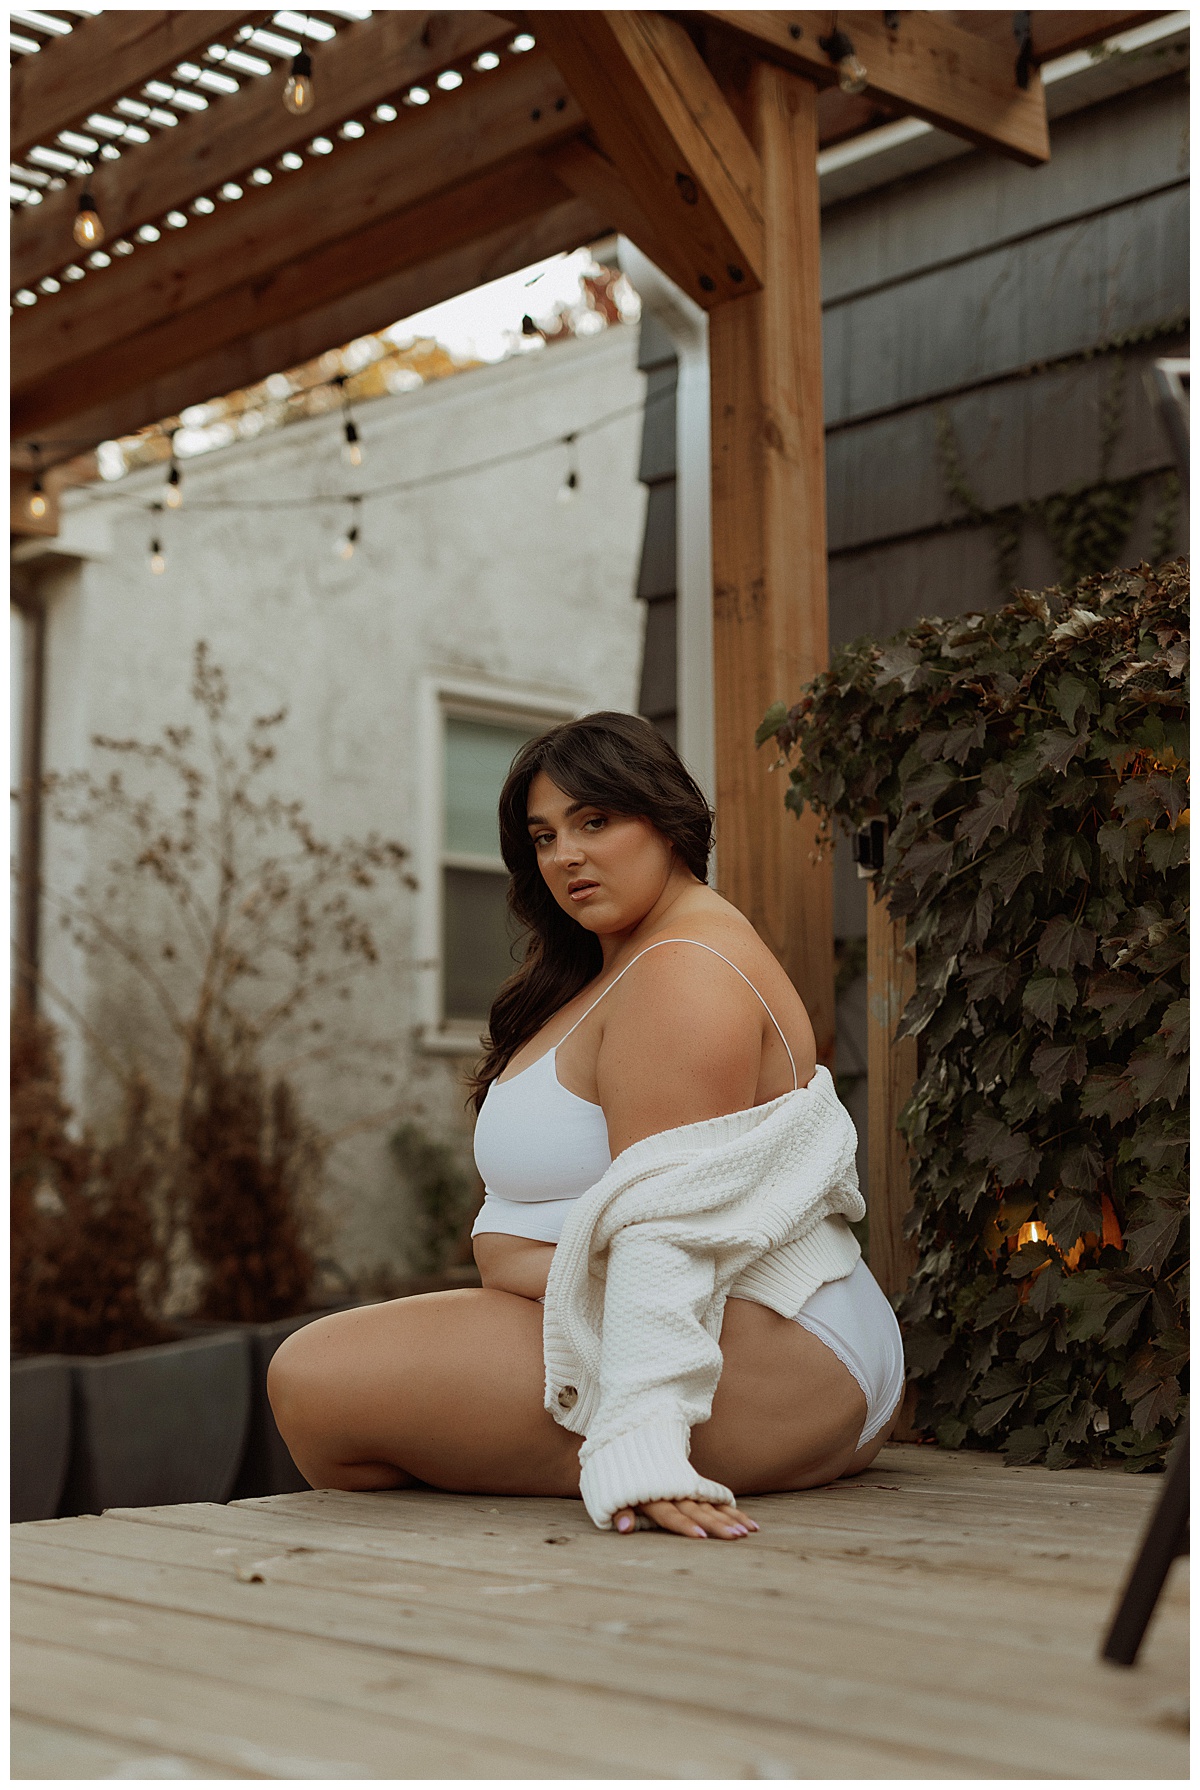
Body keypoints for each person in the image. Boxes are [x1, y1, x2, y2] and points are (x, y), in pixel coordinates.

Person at [269, 713, 904, 1539]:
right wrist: (518, 1262)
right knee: (327, 1390)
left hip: (772, 1352)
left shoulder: (683, 971)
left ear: (668, 819)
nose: (565, 854)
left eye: (594, 822)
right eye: (544, 835)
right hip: (688, 1327)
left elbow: (667, 1233)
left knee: (318, 1383)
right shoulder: (618, 962)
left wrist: (640, 1441)